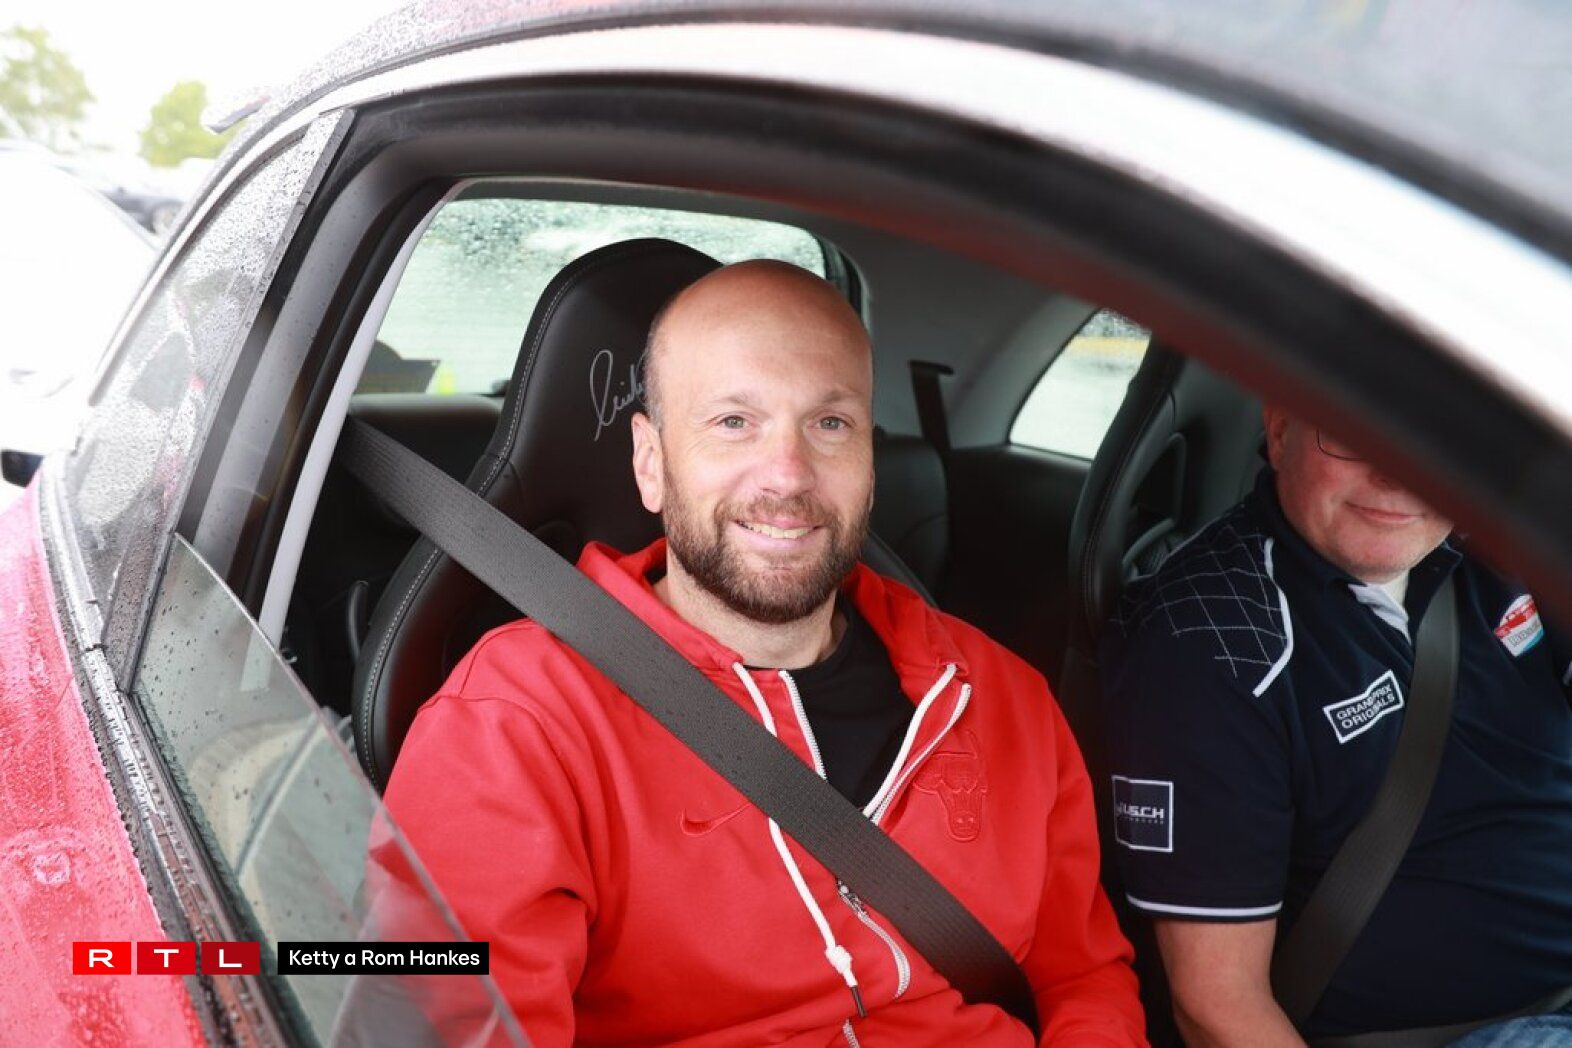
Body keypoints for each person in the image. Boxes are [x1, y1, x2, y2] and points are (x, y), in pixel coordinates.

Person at [379, 261, 1145, 1045]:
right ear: (651, 461)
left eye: (830, 423)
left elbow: (1081, 978)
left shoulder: (1000, 695)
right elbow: (457, 1018)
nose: (787, 475)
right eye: (733, 422)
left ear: (870, 462)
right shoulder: (514, 723)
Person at [1101, 407, 1572, 1045]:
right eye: (1355, 433)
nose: (1398, 475)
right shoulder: (1213, 638)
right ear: (1279, 431)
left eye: (1434, 438)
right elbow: (1217, 1005)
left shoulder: (1496, 549)